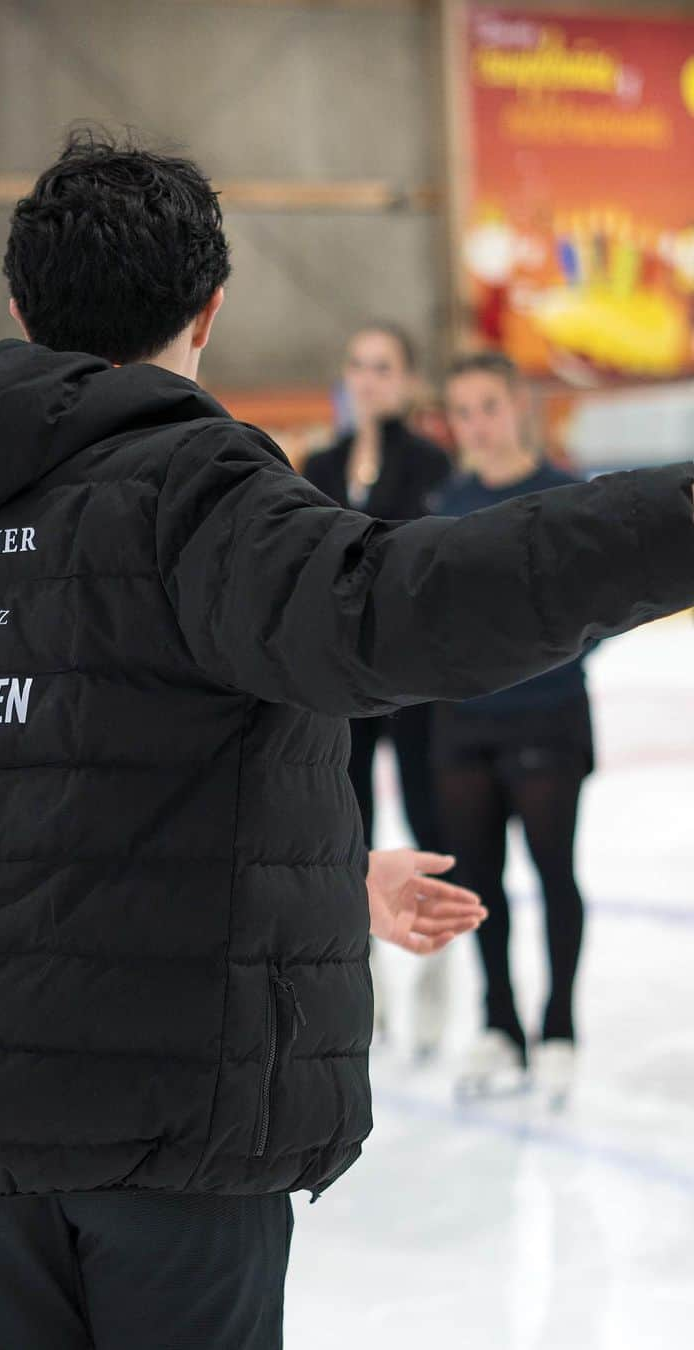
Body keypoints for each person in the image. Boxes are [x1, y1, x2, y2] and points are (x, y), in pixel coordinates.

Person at [0, 132, 694, 1350]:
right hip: (155, 1127)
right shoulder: (186, 489)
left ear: (21, 309)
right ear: (210, 309)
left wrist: (331, 880)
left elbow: (59, 796)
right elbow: (397, 606)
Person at [436, 351, 598, 1106]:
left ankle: (558, 1026)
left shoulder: (564, 498)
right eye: (463, 411)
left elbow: (604, 603)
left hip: (547, 714)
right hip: (464, 723)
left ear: (518, 406)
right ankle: (499, 1022)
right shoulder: (444, 505)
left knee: (551, 870)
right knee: (475, 883)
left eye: (488, 407)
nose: (477, 425)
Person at [304, 323, 451, 1057]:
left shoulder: (430, 462)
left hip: (415, 678)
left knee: (430, 819)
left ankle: (431, 966)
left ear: (407, 377)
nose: (369, 378)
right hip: (344, 679)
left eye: (383, 366)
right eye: (359, 365)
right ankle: (360, 979)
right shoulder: (320, 463)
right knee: (346, 826)